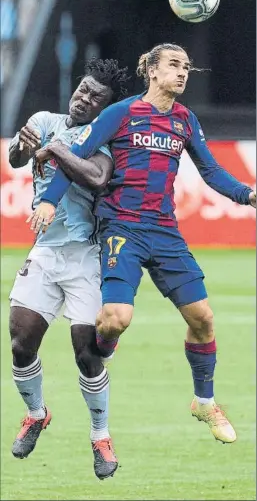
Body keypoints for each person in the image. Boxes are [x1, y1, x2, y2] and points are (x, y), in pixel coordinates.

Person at [29, 43, 256, 449]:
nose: (182, 72)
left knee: (203, 318)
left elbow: (210, 170)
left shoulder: (185, 121)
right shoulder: (120, 113)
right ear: (151, 70)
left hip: (164, 230)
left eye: (187, 66)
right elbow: (75, 154)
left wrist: (247, 195)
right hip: (121, 228)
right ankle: (102, 352)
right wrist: (48, 201)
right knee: (115, 318)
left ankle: (204, 401)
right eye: (173, 64)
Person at [9, 58, 130, 480]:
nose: (84, 98)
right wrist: (23, 147)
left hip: (86, 256)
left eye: (96, 96)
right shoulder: (45, 119)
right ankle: (36, 414)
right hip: (46, 251)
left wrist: (57, 147)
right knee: (21, 344)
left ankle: (100, 436)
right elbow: (16, 159)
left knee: (86, 353)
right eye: (83, 88)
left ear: (106, 107)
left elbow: (97, 179)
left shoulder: (104, 142)